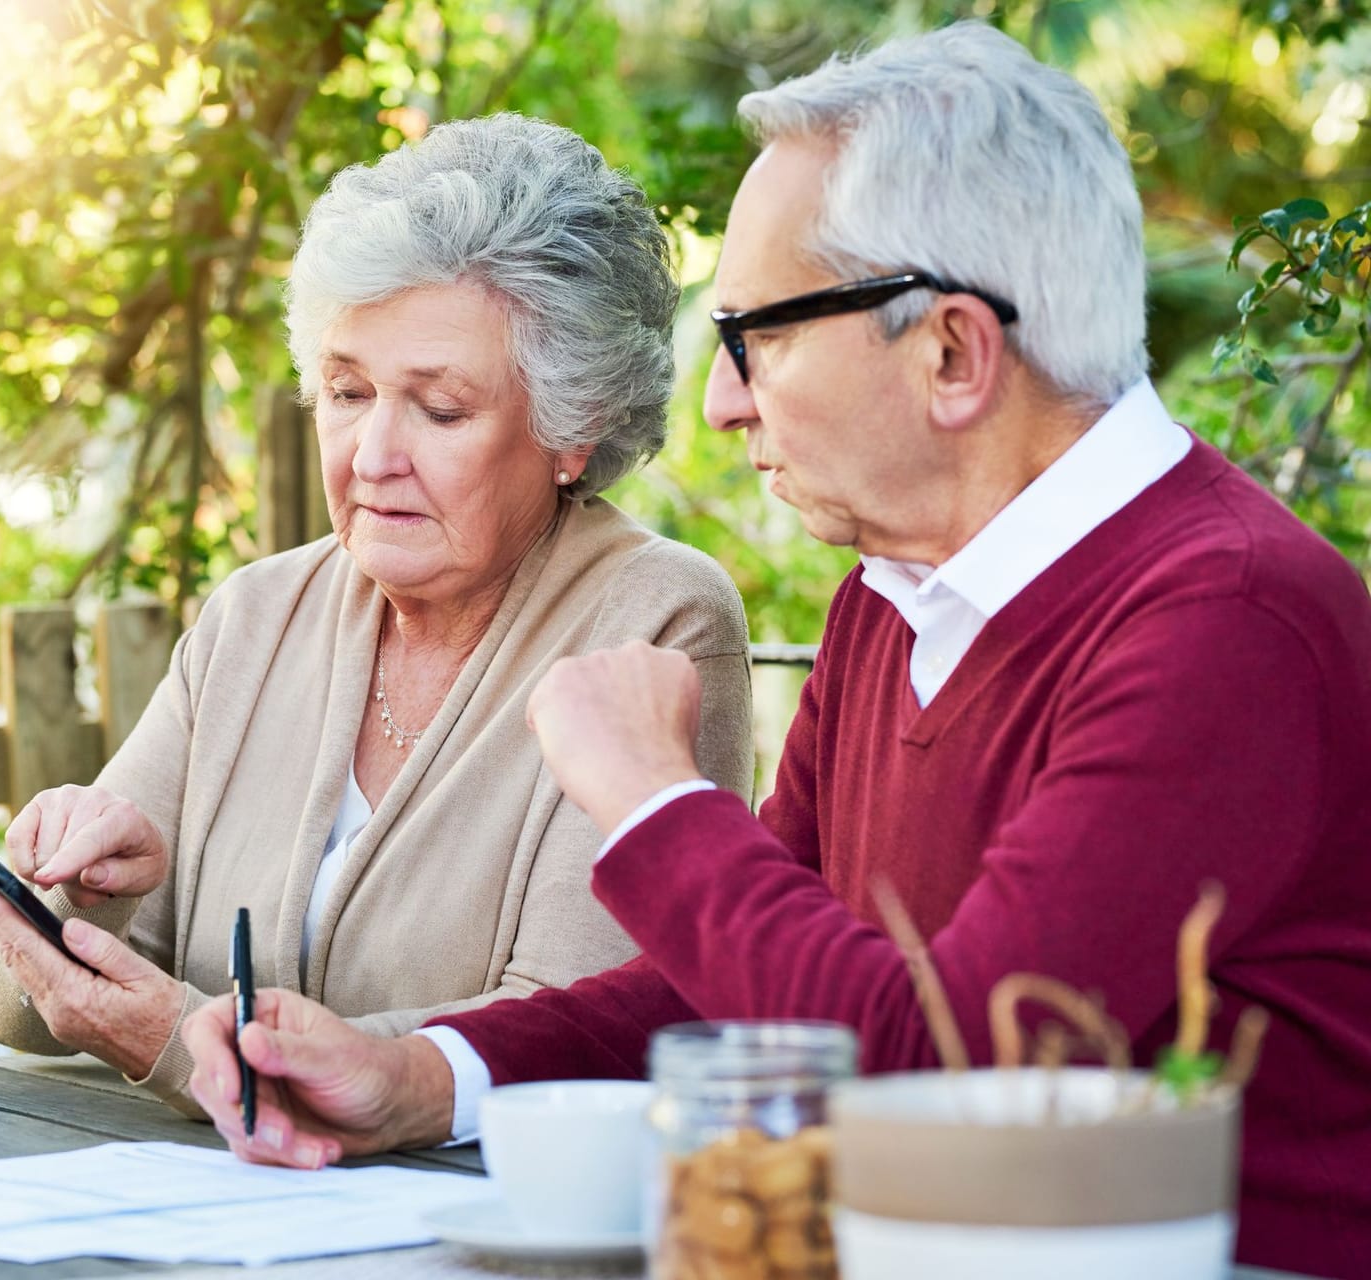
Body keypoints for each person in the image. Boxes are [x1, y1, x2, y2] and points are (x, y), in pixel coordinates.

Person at [179, 24, 1371, 1277]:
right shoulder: (896, 597)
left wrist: (656, 801)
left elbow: (944, 1071)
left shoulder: (1225, 620)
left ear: (953, 352)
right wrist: (418, 1075)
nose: (721, 401)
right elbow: (737, 988)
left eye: (758, 335)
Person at [0, 113, 755, 1117]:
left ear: (573, 425)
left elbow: (579, 1028)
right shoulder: (255, 616)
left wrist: (180, 1041)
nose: (371, 454)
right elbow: (6, 1000)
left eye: (440, 407)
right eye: (346, 390)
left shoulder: (654, 616)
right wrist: (75, 888)